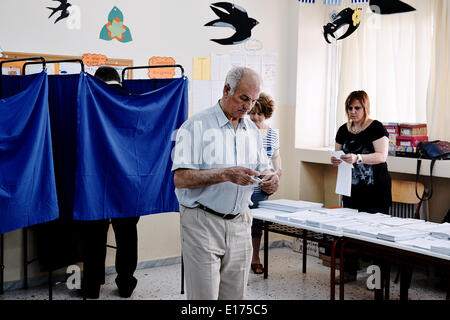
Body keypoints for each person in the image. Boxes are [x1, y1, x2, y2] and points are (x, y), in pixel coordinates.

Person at [172, 67, 280, 300]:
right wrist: (225, 175)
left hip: (241, 223)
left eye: (253, 100)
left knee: (234, 298)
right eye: (243, 98)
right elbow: (180, 178)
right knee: (204, 299)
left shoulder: (251, 130)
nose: (248, 107)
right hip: (203, 222)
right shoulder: (196, 126)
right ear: (226, 90)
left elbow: (264, 166)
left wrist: (270, 178)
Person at [81, 66, 140, 299]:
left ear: (97, 81)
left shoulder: (88, 98)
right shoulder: (134, 101)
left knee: (94, 235)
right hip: (127, 180)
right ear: (118, 79)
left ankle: (91, 287)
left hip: (94, 178)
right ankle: (126, 285)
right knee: (127, 235)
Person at [331, 90, 392, 281]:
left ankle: (377, 278)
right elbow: (337, 153)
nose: (353, 112)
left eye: (357, 107)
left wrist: (358, 158)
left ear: (365, 107)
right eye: (350, 108)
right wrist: (336, 160)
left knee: (376, 234)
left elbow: (381, 156)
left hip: (375, 191)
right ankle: (348, 271)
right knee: (347, 231)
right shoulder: (343, 130)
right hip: (352, 190)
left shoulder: (376, 128)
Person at [248, 93, 282, 274]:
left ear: (266, 114)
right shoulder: (244, 130)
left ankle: (255, 257)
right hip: (245, 184)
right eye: (252, 113)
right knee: (241, 223)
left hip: (263, 185)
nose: (254, 117)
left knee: (257, 225)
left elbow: (275, 156)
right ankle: (242, 258)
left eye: (259, 114)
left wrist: (278, 174)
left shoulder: (272, 133)